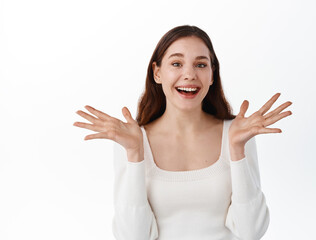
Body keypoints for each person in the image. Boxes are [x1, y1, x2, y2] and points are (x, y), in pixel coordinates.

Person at [73, 25, 292, 240]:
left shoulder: (236, 134)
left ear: (212, 74)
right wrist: (134, 153)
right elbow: (133, 236)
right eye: (176, 63)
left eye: (201, 64)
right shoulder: (132, 140)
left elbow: (251, 231)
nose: (189, 74)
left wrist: (236, 149)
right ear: (157, 73)